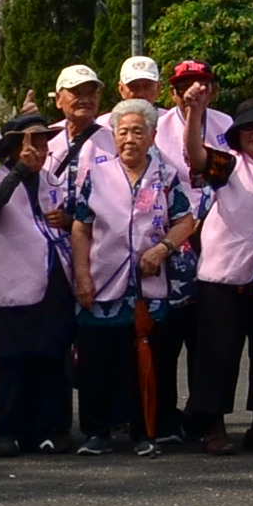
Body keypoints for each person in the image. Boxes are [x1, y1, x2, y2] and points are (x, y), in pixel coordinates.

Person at [65, 101, 198, 458]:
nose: (129, 139)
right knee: (96, 360)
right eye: (123, 132)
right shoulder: (97, 174)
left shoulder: (166, 176)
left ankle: (144, 432)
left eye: (138, 131)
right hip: (103, 279)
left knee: (142, 362)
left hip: (147, 287)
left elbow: (187, 220)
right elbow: (80, 227)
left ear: (152, 136)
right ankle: (97, 432)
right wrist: (81, 275)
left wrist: (164, 249)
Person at [184, 102, 253, 453]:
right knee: (218, 354)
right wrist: (194, 115)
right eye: (250, 128)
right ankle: (213, 428)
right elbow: (196, 156)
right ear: (238, 136)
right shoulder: (230, 165)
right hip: (227, 278)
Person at [0, 113, 74, 453]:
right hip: (14, 282)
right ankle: (6, 430)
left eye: (44, 141)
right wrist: (17, 173)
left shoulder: (53, 181)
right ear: (14, 148)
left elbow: (76, 219)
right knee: (11, 360)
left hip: (53, 279)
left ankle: (47, 429)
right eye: (31, 142)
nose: (40, 149)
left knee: (51, 357)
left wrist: (69, 219)